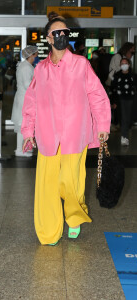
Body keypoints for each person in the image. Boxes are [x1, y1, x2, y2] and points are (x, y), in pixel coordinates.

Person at [21, 13, 111, 245]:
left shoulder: (81, 64)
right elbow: (31, 101)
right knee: (47, 187)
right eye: (56, 33)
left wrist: (102, 126)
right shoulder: (41, 69)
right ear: (48, 39)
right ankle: (49, 232)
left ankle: (73, 219)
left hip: (75, 135)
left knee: (71, 184)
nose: (61, 36)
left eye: (65, 33)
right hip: (48, 136)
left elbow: (98, 96)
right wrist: (28, 132)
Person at [11, 45, 38, 157]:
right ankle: (20, 149)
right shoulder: (26, 67)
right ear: (32, 55)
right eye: (36, 53)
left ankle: (23, 148)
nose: (37, 55)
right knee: (23, 124)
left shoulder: (25, 66)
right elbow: (28, 84)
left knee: (23, 124)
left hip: (24, 97)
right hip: (25, 98)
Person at [110, 57, 137, 146]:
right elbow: (113, 89)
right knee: (123, 117)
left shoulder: (133, 76)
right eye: (122, 63)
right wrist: (113, 102)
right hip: (120, 99)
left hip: (131, 99)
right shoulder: (117, 76)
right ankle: (124, 136)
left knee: (129, 118)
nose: (124, 65)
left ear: (129, 65)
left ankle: (125, 135)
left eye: (125, 63)